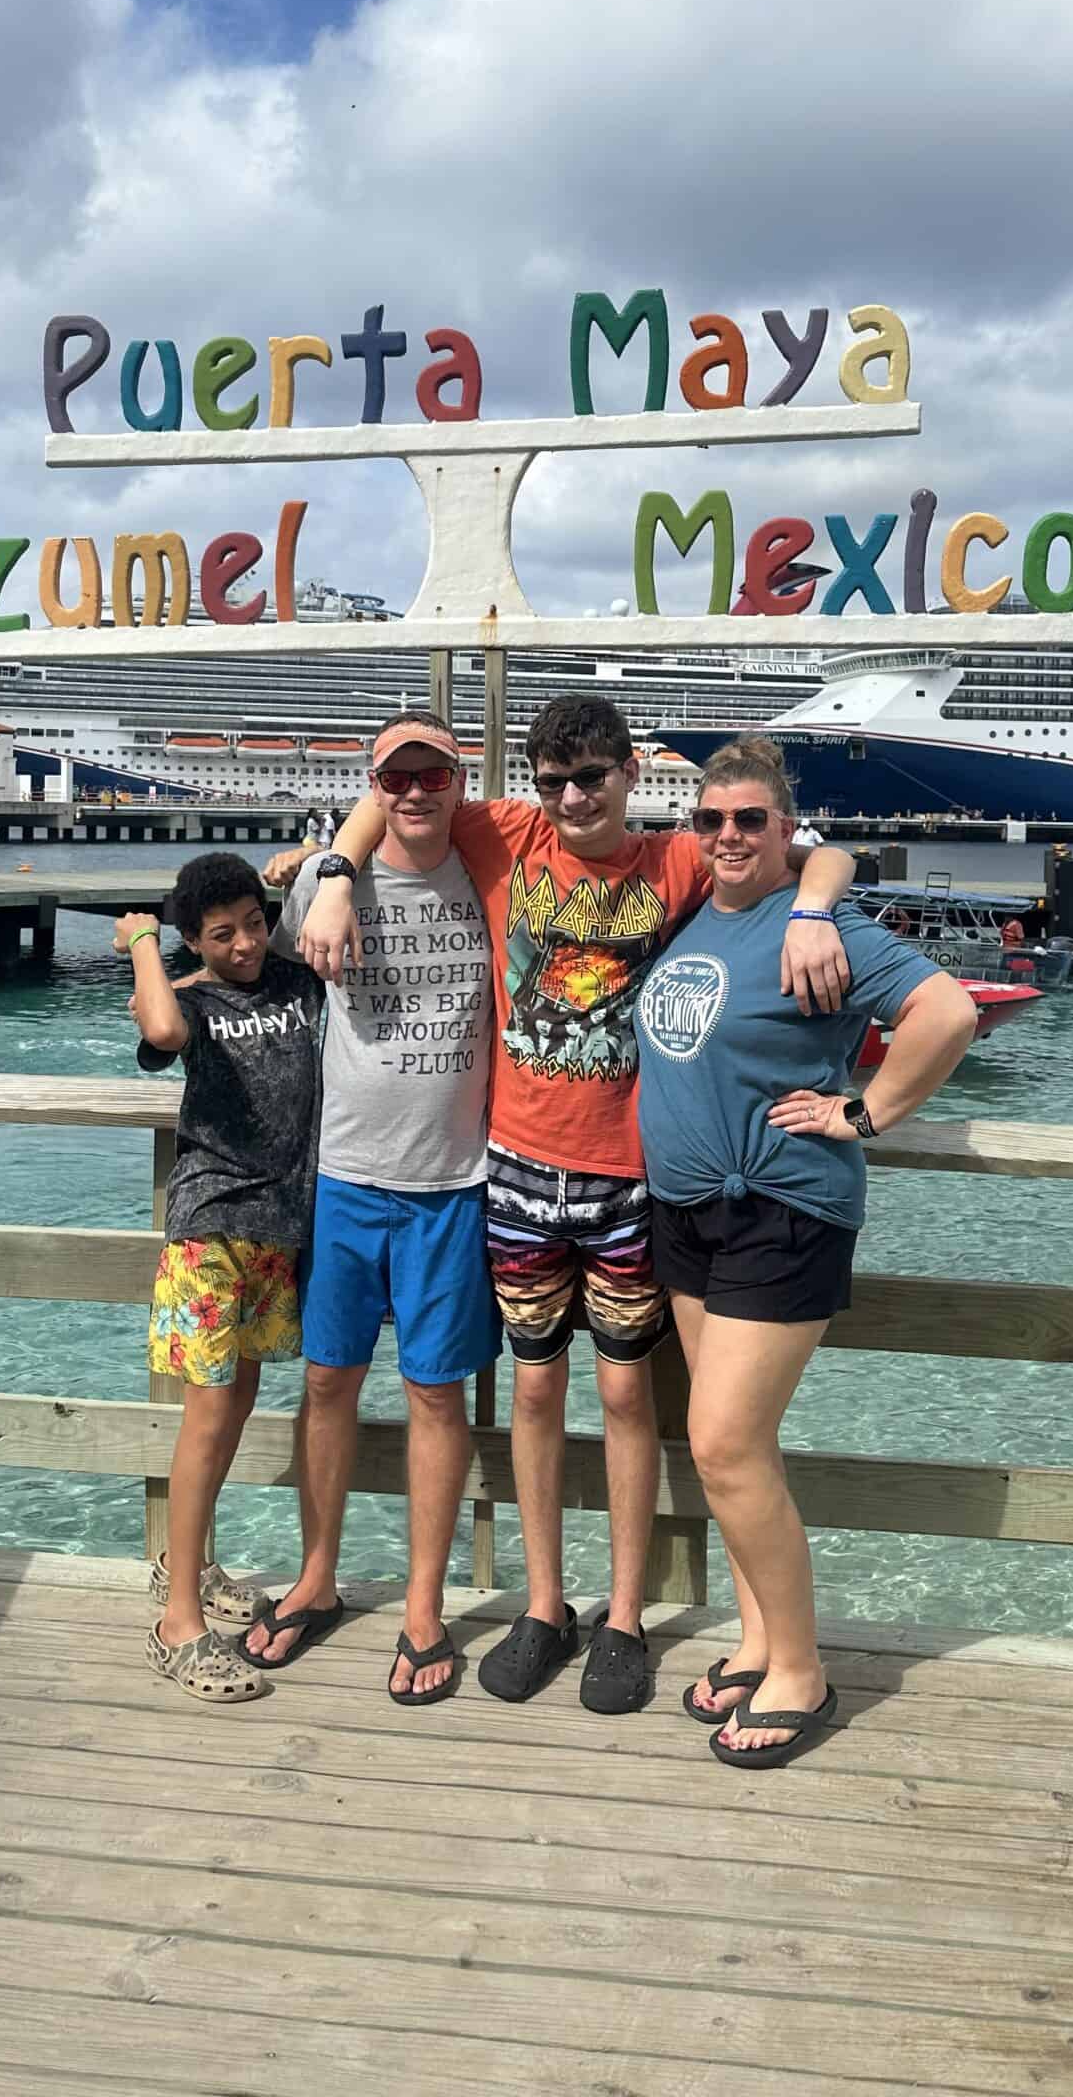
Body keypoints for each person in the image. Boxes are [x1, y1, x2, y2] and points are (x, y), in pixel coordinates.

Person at [291, 694, 856, 1716]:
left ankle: (626, 1612)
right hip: (515, 1166)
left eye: (590, 778)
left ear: (631, 774)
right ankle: (546, 1603)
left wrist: (816, 905)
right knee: (537, 1393)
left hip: (625, 1177)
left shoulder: (679, 860)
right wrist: (334, 876)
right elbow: (390, 796)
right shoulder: (505, 831)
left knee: (632, 1396)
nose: (570, 797)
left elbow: (818, 855)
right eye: (552, 780)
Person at [636, 736, 976, 1766]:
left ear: (788, 830)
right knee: (733, 1449)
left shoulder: (814, 922)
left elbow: (946, 1011)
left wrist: (863, 1112)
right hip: (687, 1212)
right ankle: (758, 1638)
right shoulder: (704, 911)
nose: (730, 835)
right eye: (713, 819)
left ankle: (803, 1673)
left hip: (778, 1208)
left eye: (751, 819)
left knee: (726, 1445)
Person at [244, 711, 498, 1700]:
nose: (416, 791)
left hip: (453, 1181)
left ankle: (426, 1605)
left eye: (434, 773)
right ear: (374, 783)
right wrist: (326, 869)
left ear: (460, 781)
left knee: (436, 1393)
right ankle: (317, 1577)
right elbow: (243, 968)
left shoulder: (488, 871)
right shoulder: (323, 882)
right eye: (397, 776)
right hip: (345, 1177)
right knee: (325, 1384)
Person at [116, 853, 324, 1704]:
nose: (242, 944)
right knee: (206, 1416)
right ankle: (177, 1623)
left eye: (251, 922)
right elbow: (161, 1035)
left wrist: (317, 860)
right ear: (194, 940)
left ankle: (194, 1563)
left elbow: (344, 916)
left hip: (281, 1229)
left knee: (235, 1403)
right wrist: (143, 944)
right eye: (220, 934)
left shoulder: (298, 982)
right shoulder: (190, 1001)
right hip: (210, 1230)